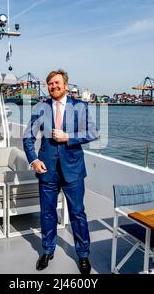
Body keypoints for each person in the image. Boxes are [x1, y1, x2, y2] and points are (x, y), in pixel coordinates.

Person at [23, 69, 98, 274]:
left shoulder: (80, 106)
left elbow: (93, 133)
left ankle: (83, 254)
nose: (53, 86)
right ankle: (47, 250)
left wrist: (68, 137)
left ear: (65, 85)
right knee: (47, 213)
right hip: (47, 170)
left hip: (73, 170)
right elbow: (28, 137)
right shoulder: (40, 107)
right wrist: (34, 160)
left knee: (77, 213)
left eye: (57, 83)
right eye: (50, 84)